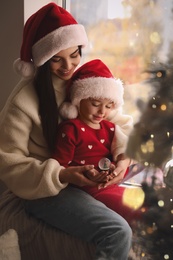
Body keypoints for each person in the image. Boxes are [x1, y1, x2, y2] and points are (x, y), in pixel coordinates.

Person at [0, 3, 133, 260]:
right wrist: (62, 174)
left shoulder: (84, 82)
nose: (68, 66)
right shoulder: (22, 102)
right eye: (56, 59)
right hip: (47, 188)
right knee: (117, 232)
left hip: (90, 176)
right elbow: (8, 162)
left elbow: (119, 124)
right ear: (41, 60)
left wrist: (123, 160)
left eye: (74, 54)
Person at [52, 59, 139, 223]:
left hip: (111, 183)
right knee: (132, 208)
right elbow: (59, 167)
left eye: (108, 106)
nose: (102, 111)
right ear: (79, 100)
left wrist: (117, 166)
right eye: (96, 104)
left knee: (144, 199)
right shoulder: (71, 129)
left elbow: (123, 151)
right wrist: (85, 173)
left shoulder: (110, 128)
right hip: (87, 189)